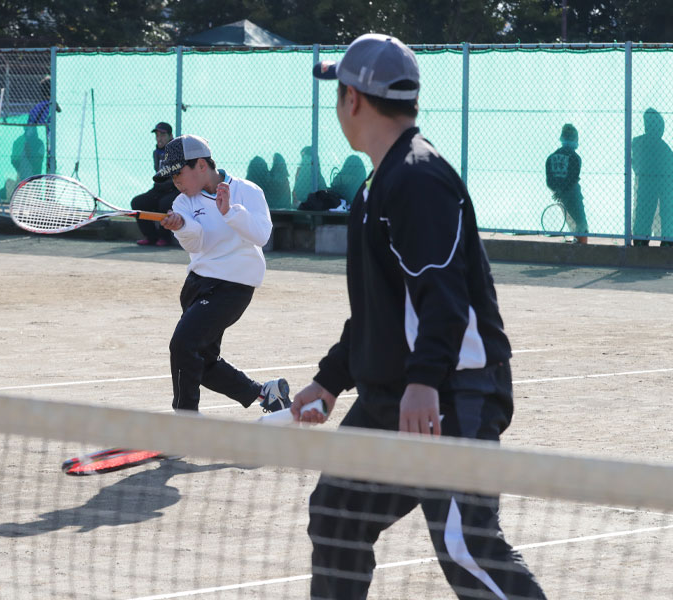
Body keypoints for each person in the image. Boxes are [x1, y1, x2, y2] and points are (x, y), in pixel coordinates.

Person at [293, 34, 547, 599]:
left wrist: (426, 382)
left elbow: (444, 297)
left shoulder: (417, 178)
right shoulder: (378, 184)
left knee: (465, 546)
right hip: (396, 397)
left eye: (338, 93)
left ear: (353, 99)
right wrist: (330, 381)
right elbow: (380, 311)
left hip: (451, 396)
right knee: (337, 516)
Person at [154, 134, 291, 414]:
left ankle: (185, 417)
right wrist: (182, 227)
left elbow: (261, 235)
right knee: (201, 361)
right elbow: (197, 244)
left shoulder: (248, 191)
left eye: (179, 173)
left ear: (201, 165)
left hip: (233, 287)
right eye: (172, 177)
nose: (176, 182)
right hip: (196, 285)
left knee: (183, 345)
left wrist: (230, 212)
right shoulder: (182, 202)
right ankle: (267, 395)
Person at [130, 122, 179, 246]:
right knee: (137, 202)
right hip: (159, 189)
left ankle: (165, 238)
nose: (159, 138)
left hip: (175, 189)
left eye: (162, 135)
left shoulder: (177, 151)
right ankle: (151, 237)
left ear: (170, 136)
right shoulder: (156, 153)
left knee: (164, 204)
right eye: (157, 135)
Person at [631, 108, 673, 247]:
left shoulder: (638, 142)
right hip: (661, 181)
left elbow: (635, 162)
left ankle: (641, 240)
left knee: (645, 211)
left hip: (648, 180)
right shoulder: (664, 148)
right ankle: (667, 240)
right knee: (665, 210)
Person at [545, 123, 589, 244]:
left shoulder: (551, 157)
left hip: (560, 195)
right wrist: (563, 190)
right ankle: (582, 247)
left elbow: (549, 180)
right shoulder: (575, 157)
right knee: (581, 224)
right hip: (572, 194)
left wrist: (557, 191)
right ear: (575, 139)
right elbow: (573, 178)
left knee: (572, 223)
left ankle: (577, 241)